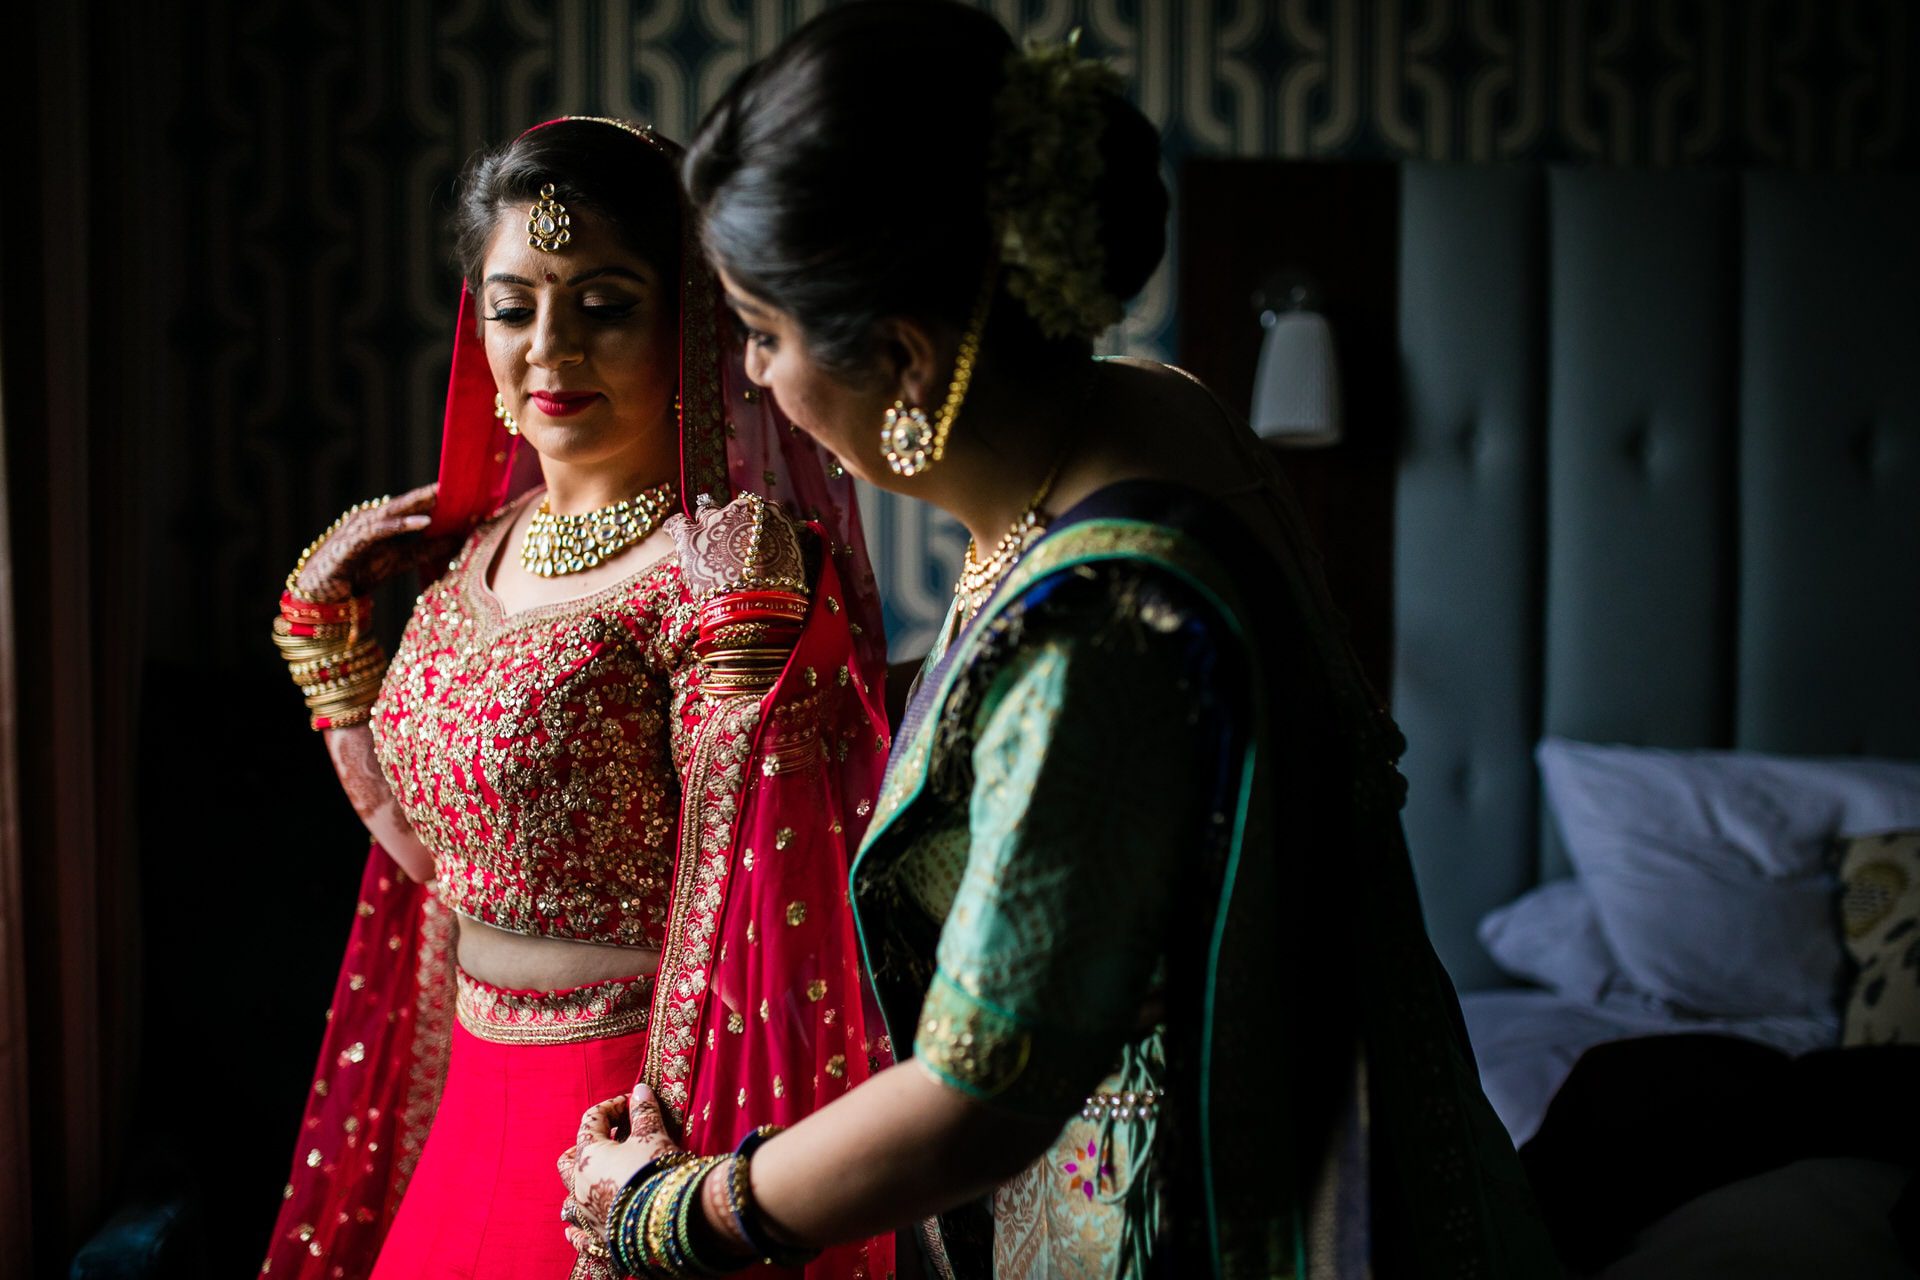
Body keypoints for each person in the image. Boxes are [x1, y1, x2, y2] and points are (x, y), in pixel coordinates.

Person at [560, 5, 1560, 1278]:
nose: (755, 378)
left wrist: (670, 1208)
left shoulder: (1102, 627)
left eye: (762, 331)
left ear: (905, 356)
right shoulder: (1157, 417)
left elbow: (979, 1095)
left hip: (1199, 1221)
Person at [259, 116, 893, 1280]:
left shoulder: (730, 562)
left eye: (604, 304)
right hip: (466, 1104)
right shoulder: (481, 552)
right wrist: (328, 650)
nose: (549, 348)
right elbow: (438, 863)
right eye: (514, 305)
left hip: (623, 1127)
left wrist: (651, 1190)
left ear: (690, 322)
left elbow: (738, 892)